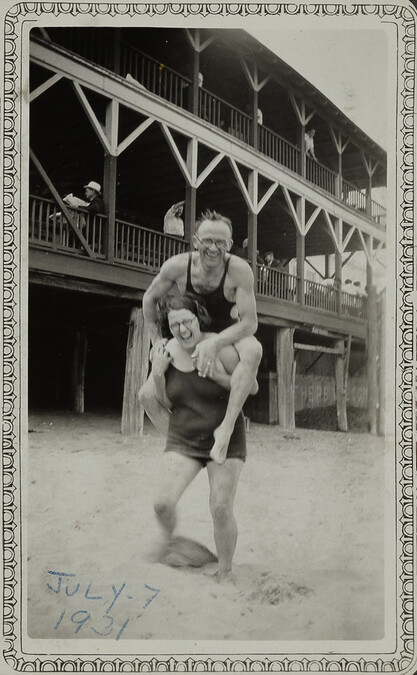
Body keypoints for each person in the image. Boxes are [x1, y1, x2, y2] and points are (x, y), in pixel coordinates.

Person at [140, 209, 262, 465]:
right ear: (195, 241)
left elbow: (250, 323)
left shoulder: (239, 271)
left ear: (229, 244)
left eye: (221, 242)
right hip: (190, 331)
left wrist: (215, 342)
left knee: (253, 351)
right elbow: (149, 298)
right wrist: (155, 339)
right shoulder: (177, 265)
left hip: (227, 330)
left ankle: (225, 431)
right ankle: (183, 446)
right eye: (207, 240)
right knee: (147, 396)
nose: (213, 248)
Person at [151, 293, 252, 581]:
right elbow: (163, 401)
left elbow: (252, 386)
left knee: (220, 507)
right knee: (162, 503)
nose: (182, 331)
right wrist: (158, 374)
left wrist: (218, 375)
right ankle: (172, 541)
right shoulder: (166, 352)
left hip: (225, 436)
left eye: (188, 322)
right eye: (174, 326)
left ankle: (225, 571)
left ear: (199, 318)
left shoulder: (219, 346)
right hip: (185, 436)